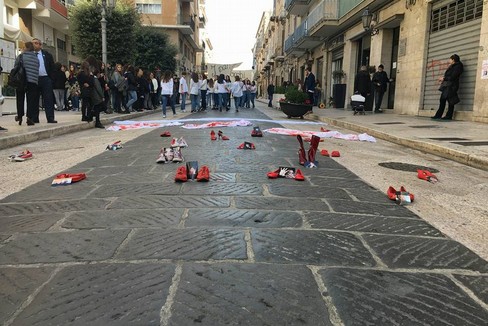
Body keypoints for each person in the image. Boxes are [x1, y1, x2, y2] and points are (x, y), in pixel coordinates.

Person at [31, 38, 57, 123]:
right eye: (33, 43)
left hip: (46, 78)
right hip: (34, 79)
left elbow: (52, 67)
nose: (34, 45)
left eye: (35, 43)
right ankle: (34, 118)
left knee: (48, 99)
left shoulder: (47, 55)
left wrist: (51, 79)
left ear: (40, 45)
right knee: (34, 99)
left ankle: (50, 117)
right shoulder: (30, 55)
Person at [432, 54, 464, 121]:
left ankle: (447, 116)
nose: (449, 60)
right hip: (448, 85)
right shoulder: (453, 66)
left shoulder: (458, 67)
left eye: (450, 59)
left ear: (453, 60)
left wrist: (444, 78)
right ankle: (440, 115)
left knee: (449, 101)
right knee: (445, 100)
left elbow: (453, 77)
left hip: (451, 86)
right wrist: (444, 80)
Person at [13, 42, 38, 126]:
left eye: (24, 47)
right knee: (31, 100)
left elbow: (16, 66)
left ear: (26, 48)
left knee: (20, 98)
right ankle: (30, 118)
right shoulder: (36, 58)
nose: (22, 48)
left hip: (21, 80)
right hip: (33, 81)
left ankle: (20, 116)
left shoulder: (21, 56)